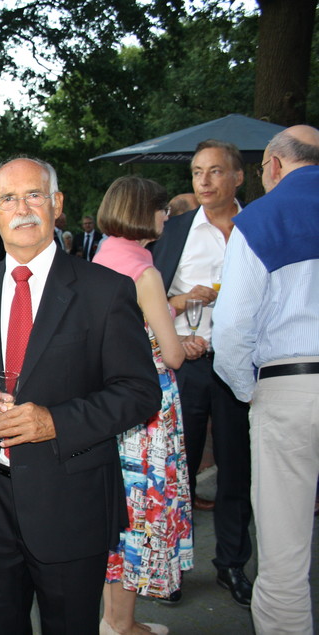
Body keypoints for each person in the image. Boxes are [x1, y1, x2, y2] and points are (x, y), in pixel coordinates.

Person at [0, 157, 160, 633]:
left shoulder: (106, 290)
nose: (23, 208)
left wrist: (55, 421)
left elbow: (139, 393)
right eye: (8, 199)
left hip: (70, 502)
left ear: (56, 204)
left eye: (34, 195)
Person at [212, 124, 319, 633]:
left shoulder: (260, 219)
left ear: (273, 166)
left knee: (283, 554)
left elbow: (232, 326)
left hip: (289, 386)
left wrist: (251, 391)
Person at [151, 138, 254, 607]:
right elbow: (150, 300)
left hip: (241, 366)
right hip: (188, 366)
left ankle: (231, 563)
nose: (205, 181)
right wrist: (175, 334)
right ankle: (171, 569)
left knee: (236, 470)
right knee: (181, 471)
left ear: (238, 177)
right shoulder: (176, 231)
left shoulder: (257, 229)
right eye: (197, 172)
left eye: (215, 171)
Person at [93, 177, 198, 635]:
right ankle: (122, 625)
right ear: (143, 212)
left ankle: (113, 619)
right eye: (161, 210)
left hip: (106, 403)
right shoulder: (144, 269)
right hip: (147, 409)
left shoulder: (99, 259)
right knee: (140, 515)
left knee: (116, 516)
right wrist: (187, 344)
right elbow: (171, 354)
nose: (165, 217)